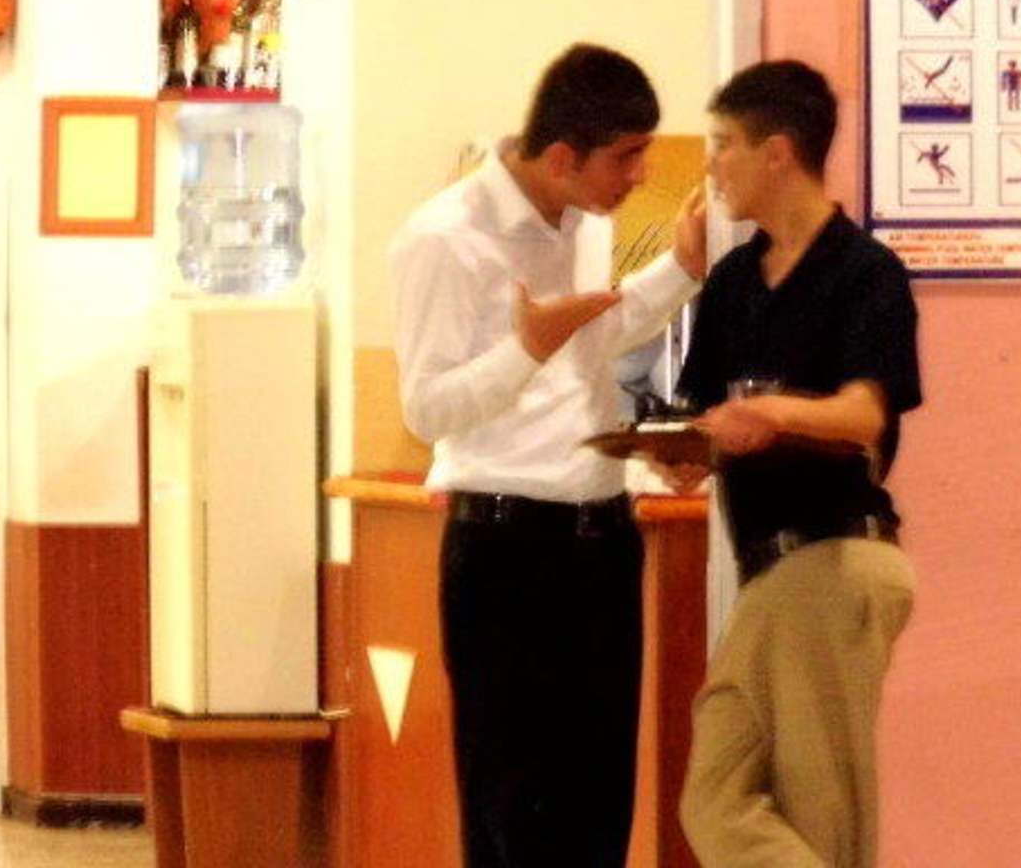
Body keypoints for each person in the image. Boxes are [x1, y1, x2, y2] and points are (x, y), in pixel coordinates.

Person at [390, 42, 706, 868]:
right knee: (515, 808)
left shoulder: (583, 222)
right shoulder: (444, 237)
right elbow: (425, 409)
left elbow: (595, 334)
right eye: (626, 156)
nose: (640, 175)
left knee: (599, 806)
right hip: (506, 549)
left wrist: (683, 268)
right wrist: (523, 349)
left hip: (602, 538)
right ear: (563, 156)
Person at [662, 60, 922, 868]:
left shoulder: (864, 273)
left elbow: (864, 415)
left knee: (822, 816)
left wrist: (771, 413)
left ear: (777, 153)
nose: (712, 166)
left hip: (836, 559)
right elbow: (704, 417)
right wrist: (682, 452)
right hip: (767, 574)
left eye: (724, 145)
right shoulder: (734, 280)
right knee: (714, 799)